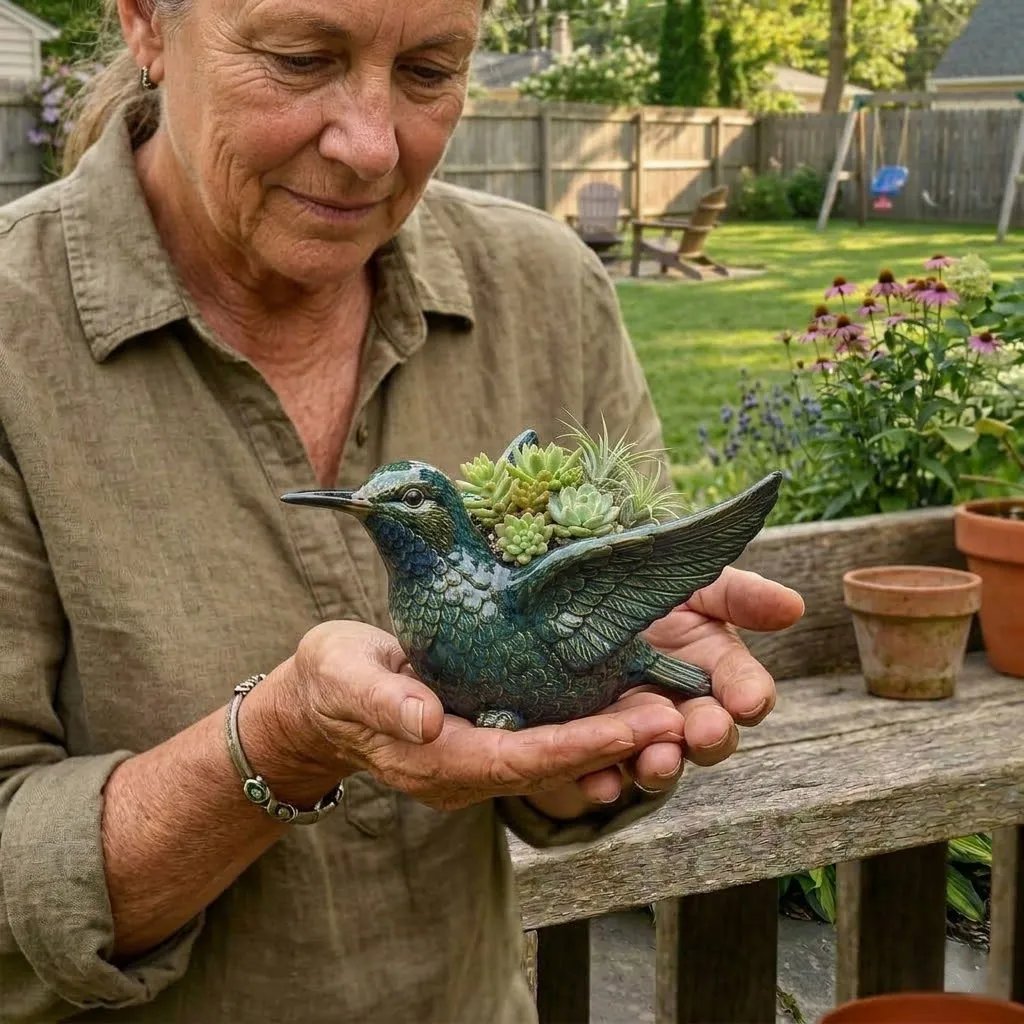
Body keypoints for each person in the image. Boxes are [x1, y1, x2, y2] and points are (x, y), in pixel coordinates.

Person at [0, 0, 804, 1019]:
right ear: (148, 25)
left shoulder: (542, 289)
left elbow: (594, 733)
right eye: (299, 59)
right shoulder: (15, 340)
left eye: (430, 70)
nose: (373, 146)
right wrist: (283, 740)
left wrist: (580, 744)